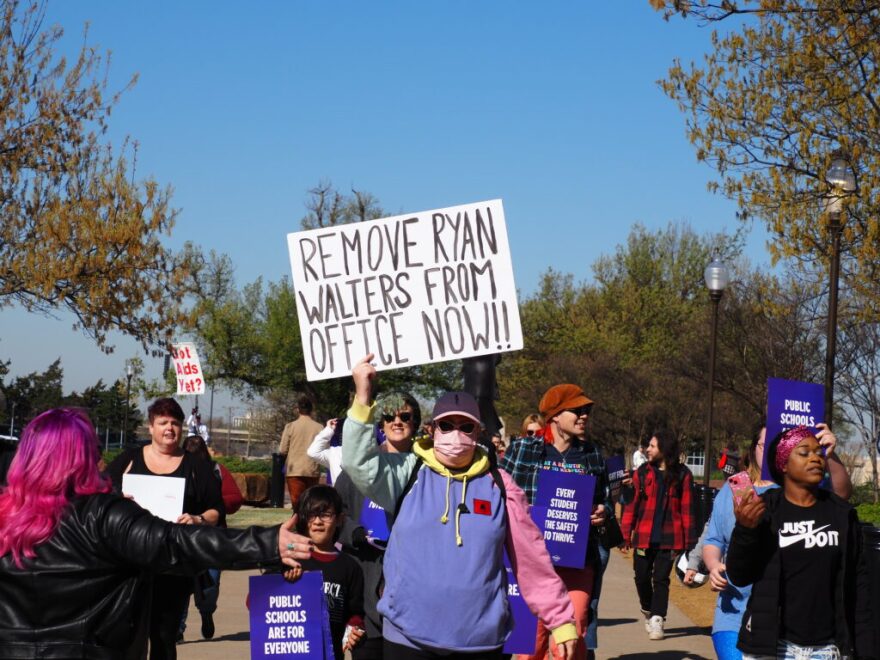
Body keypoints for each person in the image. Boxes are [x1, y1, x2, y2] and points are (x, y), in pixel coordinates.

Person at [0, 408, 310, 659]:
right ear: (80, 457)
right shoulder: (102, 513)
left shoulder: (7, 514)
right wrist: (266, 542)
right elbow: (177, 542)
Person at [342, 355, 578, 659]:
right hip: (407, 638)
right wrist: (363, 396)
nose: (456, 433)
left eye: (465, 426)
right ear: (433, 430)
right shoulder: (407, 472)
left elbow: (531, 557)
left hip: (480, 642)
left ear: (477, 432)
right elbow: (357, 462)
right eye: (447, 425)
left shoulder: (500, 484)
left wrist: (560, 618)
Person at [686, 423, 856, 659]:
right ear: (753, 448)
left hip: (787, 624)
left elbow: (842, 495)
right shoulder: (735, 486)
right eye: (762, 444)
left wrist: (831, 454)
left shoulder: (803, 489)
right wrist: (713, 565)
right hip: (734, 615)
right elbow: (713, 536)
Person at [727, 426, 873, 659]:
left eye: (818, 453)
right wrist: (745, 530)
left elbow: (859, 589)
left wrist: (867, 651)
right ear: (783, 464)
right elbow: (739, 575)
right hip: (771, 648)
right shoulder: (766, 510)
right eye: (804, 453)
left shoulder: (842, 515)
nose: (815, 458)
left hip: (827, 650)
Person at [106, 397, 225, 659]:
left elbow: (217, 510)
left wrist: (198, 519)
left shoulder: (197, 467)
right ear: (150, 427)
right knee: (125, 636)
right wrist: (116, 501)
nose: (169, 428)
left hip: (173, 565)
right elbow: (98, 497)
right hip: (128, 566)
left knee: (164, 636)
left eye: (175, 423)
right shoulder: (128, 460)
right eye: (163, 423)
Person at [500, 384, 607, 660]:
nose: (584, 416)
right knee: (530, 644)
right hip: (531, 563)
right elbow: (499, 492)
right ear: (556, 416)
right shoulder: (523, 449)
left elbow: (603, 499)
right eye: (577, 410)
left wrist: (601, 512)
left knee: (573, 634)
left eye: (587, 411)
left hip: (577, 560)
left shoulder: (592, 454)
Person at [333, 390, 420, 660]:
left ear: (415, 423)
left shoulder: (427, 469)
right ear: (380, 424)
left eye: (405, 416)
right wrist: (356, 534)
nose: (397, 421)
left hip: (410, 589)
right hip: (366, 581)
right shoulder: (359, 467)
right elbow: (334, 514)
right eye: (389, 416)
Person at [620, 429, 695, 641]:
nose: (647, 450)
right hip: (644, 536)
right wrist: (625, 535)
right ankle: (647, 608)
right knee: (641, 576)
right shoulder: (642, 473)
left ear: (664, 448)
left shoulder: (683, 475)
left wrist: (690, 544)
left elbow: (688, 510)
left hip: (670, 539)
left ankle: (657, 619)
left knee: (661, 579)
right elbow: (631, 506)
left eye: (652, 446)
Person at [281, 485, 366, 660]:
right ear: (303, 519)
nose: (318, 521)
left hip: (331, 653)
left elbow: (355, 613)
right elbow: (256, 603)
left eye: (326, 515)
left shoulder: (350, 567)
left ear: (340, 519)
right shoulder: (291, 559)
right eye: (312, 514)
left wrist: (354, 629)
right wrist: (284, 585)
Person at [178, 434, 244, 642]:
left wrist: (213, 505)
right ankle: (178, 628)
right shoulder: (175, 469)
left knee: (210, 584)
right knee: (180, 586)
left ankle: (207, 612)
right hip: (182, 537)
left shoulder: (217, 470)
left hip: (212, 538)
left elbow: (235, 499)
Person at [279, 395, 324, 511]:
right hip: (312, 469)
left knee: (297, 504)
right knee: (311, 502)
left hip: (294, 470)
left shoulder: (290, 426)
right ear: (311, 410)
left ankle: (298, 525)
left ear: (298, 409)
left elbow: (282, 450)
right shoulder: (319, 427)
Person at [308, 418, 344, 484]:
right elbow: (313, 452)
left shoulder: (335, 452)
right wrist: (329, 430)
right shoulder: (335, 452)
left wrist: (329, 430)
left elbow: (313, 452)